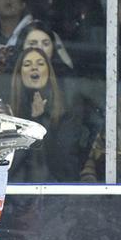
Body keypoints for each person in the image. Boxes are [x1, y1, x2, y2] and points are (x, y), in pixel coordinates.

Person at [7, 47, 88, 182]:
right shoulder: (9, 111)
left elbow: (64, 161)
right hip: (15, 190)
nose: (34, 68)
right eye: (27, 64)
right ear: (19, 73)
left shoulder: (66, 110)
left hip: (54, 189)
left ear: (49, 72)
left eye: (40, 64)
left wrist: (40, 121)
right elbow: (7, 165)